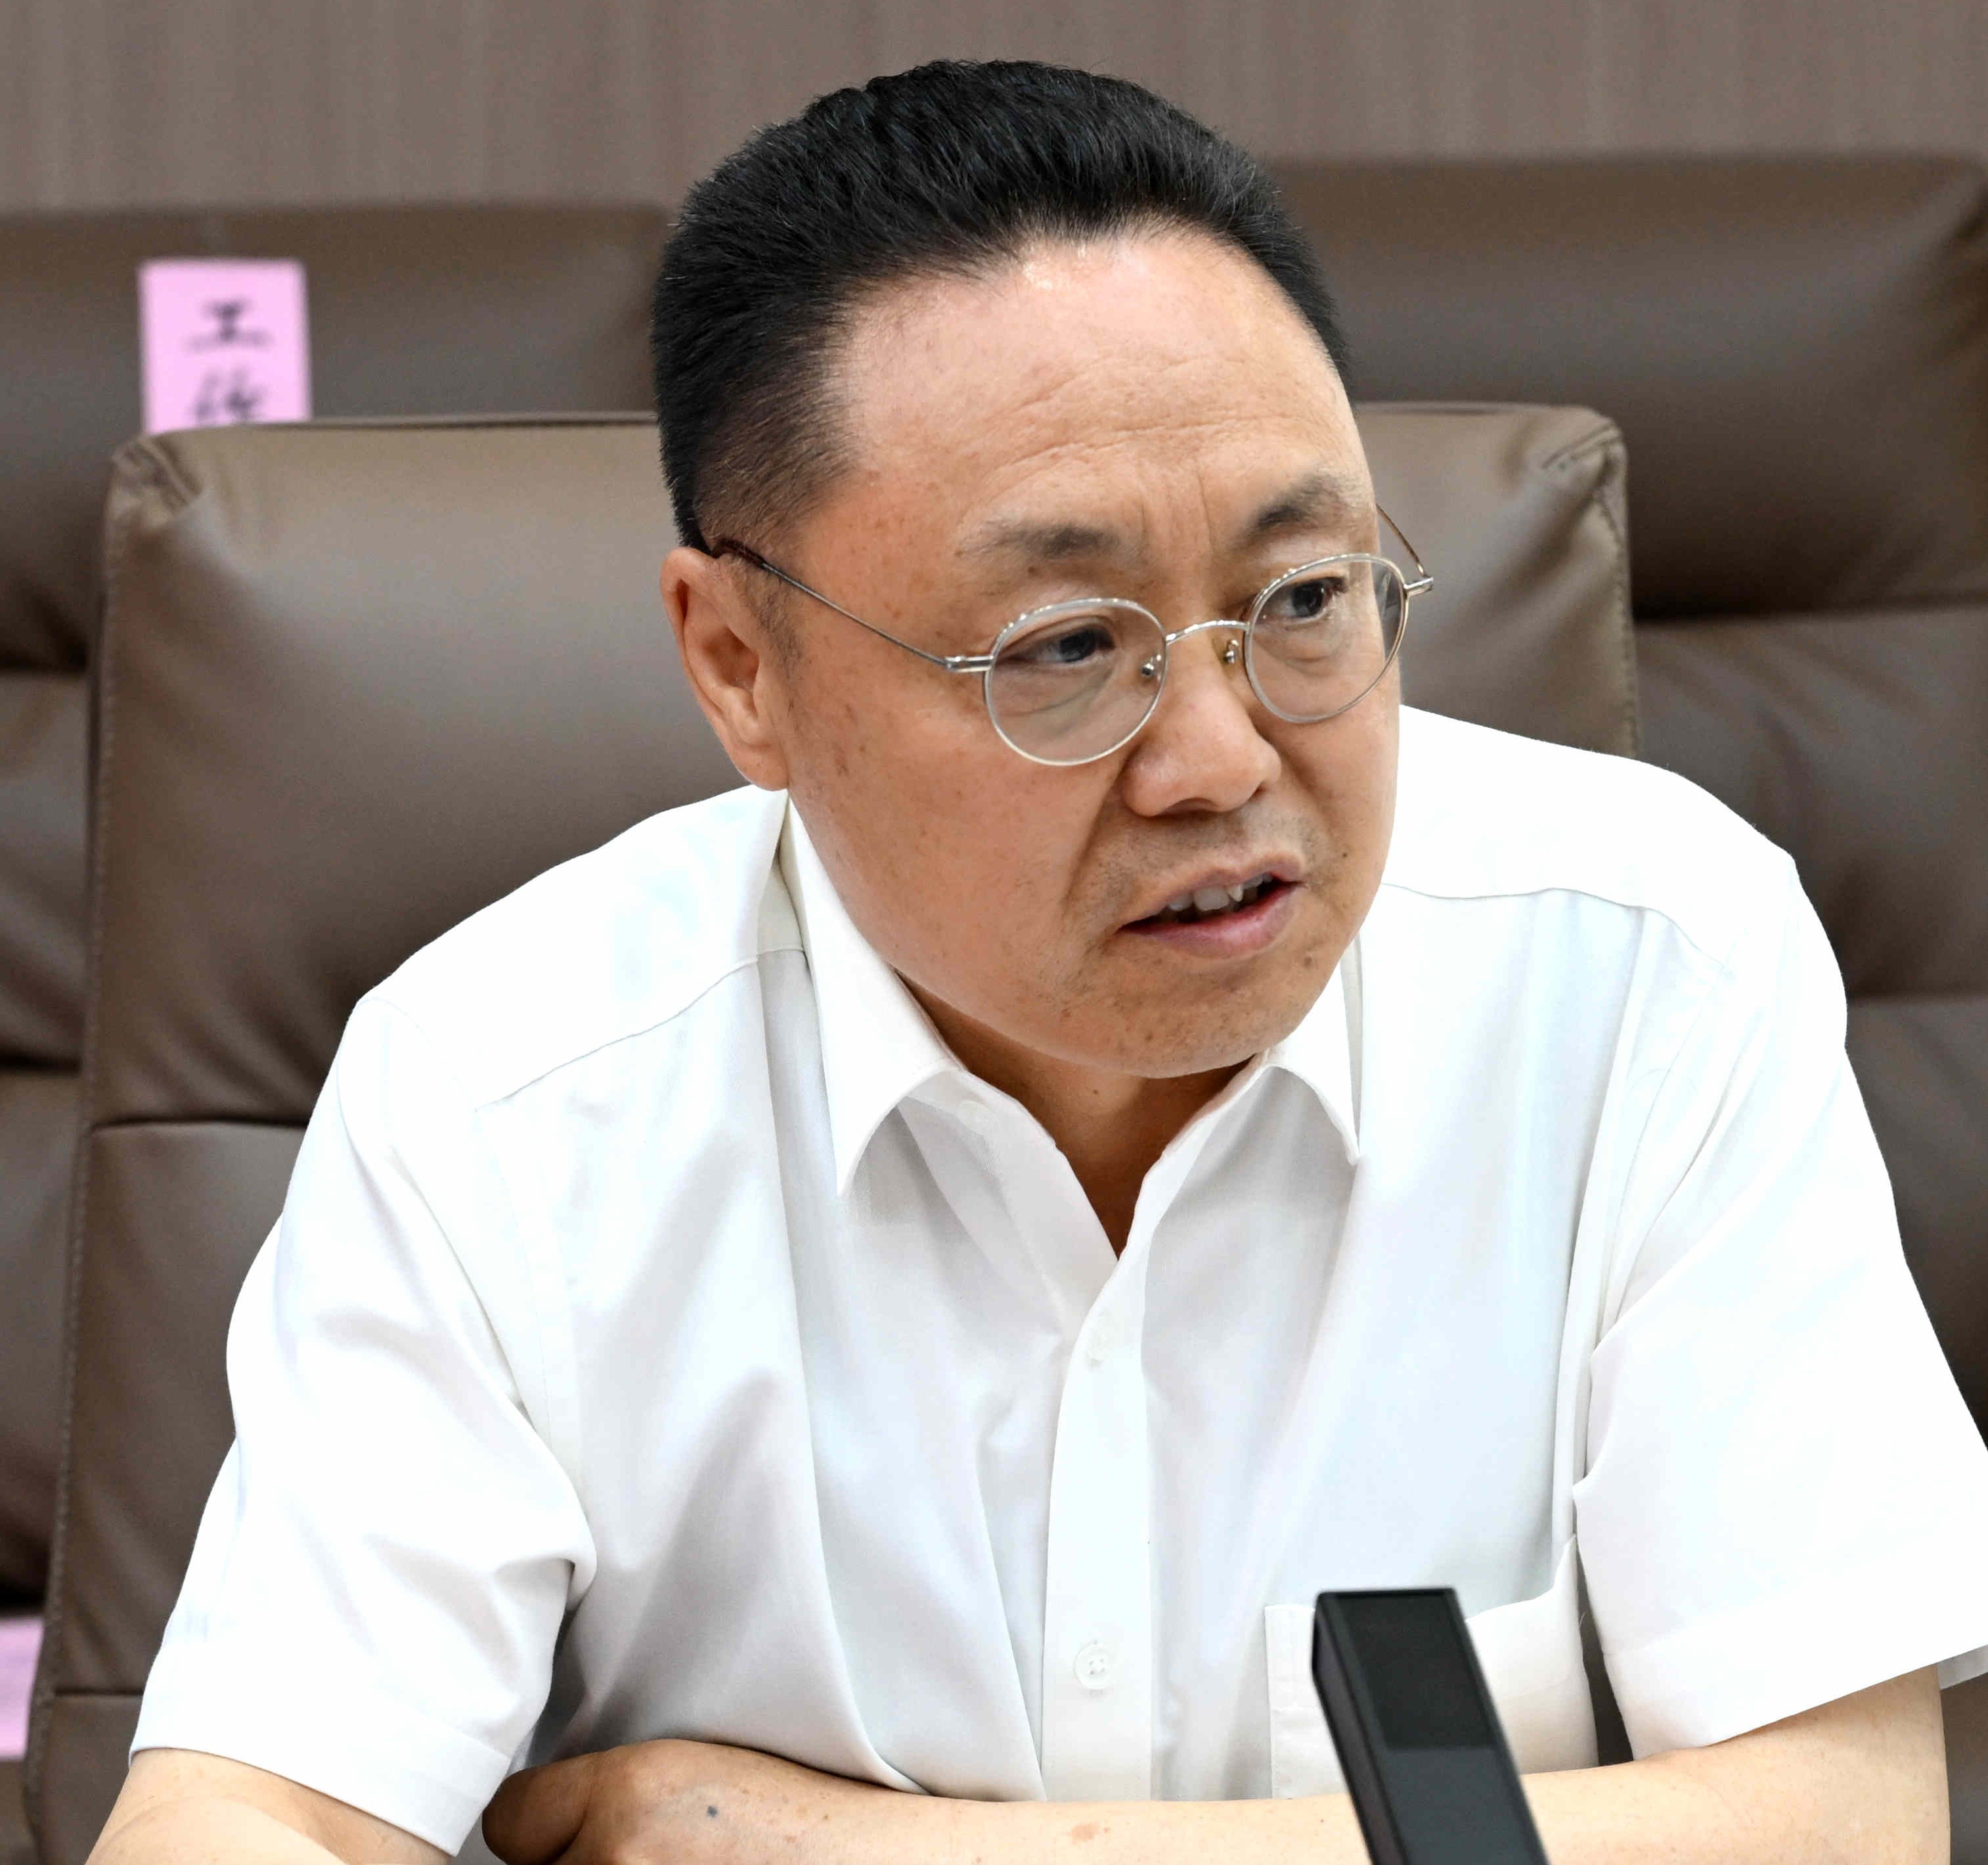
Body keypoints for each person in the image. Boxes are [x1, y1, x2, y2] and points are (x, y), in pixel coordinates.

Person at [94, 60, 1988, 1865]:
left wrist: (863, 1848)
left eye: (1304, 600)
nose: (1222, 761)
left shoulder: (1651, 964)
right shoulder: (507, 1092)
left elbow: (1840, 1821)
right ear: (740, 666)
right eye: (1065, 650)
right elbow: (260, 1810)